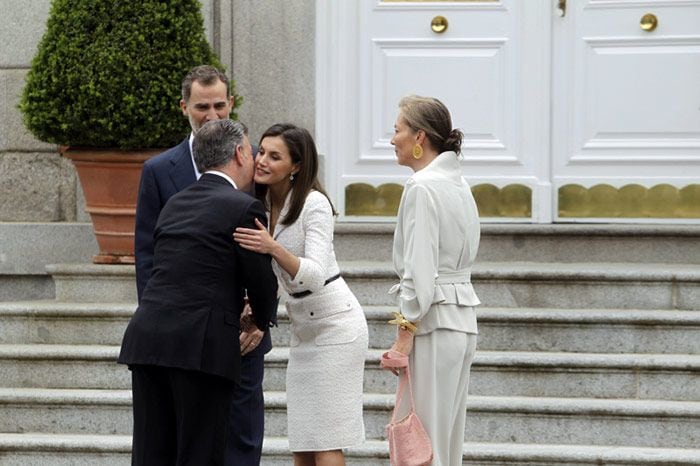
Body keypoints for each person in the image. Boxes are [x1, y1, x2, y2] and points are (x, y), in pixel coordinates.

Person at [133, 65, 272, 465]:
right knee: (181, 444)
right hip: (178, 333)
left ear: (231, 103)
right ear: (184, 108)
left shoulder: (254, 161)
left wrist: (254, 317)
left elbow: (261, 238)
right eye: (202, 107)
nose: (212, 115)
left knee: (240, 434)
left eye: (219, 105)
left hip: (239, 332)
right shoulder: (159, 171)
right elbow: (148, 254)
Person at [233, 123, 368, 466]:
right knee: (304, 444)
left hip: (336, 329)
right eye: (260, 152)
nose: (262, 160)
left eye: (274, 156)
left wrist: (272, 247)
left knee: (326, 442)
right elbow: (279, 280)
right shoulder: (259, 205)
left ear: (296, 166)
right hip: (303, 334)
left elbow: (315, 273)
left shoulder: (315, 203)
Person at [384, 95, 481, 466]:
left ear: (419, 137)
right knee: (444, 445)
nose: (393, 139)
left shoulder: (422, 187)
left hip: (434, 324)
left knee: (423, 448)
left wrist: (403, 335)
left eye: (397, 130)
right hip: (460, 322)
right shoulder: (459, 184)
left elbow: (419, 273)